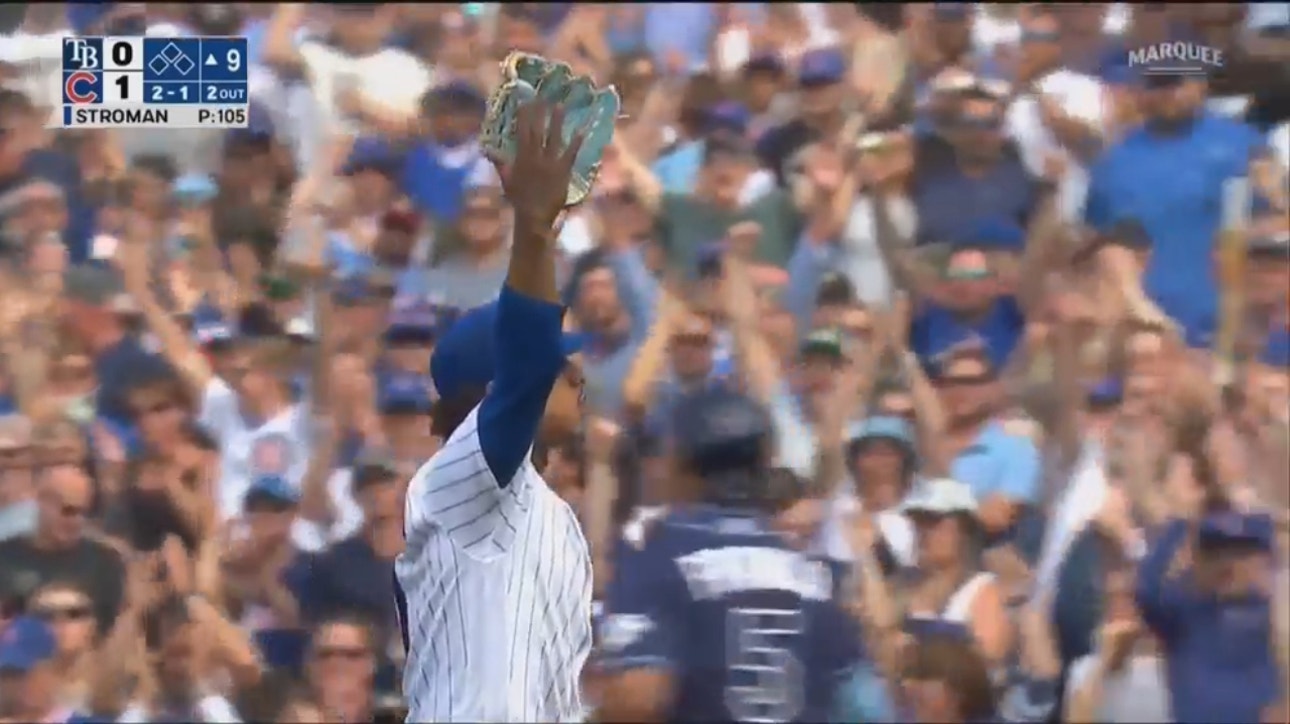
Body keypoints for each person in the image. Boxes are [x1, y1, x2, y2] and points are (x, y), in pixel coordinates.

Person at [394, 98, 593, 722]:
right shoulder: (457, 483)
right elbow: (529, 360)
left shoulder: (549, 510)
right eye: (560, 367)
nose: (577, 377)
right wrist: (533, 229)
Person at [596, 387, 864, 722]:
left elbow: (636, 697)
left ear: (684, 462)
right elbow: (861, 702)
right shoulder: (816, 574)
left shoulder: (659, 554)